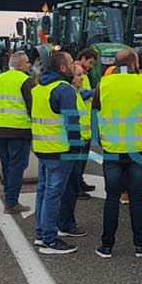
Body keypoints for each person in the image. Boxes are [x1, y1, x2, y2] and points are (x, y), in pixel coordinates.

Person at [93, 48, 142, 258]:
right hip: (139, 149)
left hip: (112, 149)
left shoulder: (103, 84)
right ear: (134, 63)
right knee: (136, 197)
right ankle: (140, 244)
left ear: (115, 63)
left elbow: (95, 114)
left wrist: (101, 141)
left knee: (112, 197)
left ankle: (106, 245)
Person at [32, 51, 85, 255]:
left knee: (43, 192)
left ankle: (41, 233)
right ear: (62, 68)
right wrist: (75, 147)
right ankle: (50, 239)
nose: (74, 65)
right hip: (60, 150)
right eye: (71, 63)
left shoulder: (40, 88)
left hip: (42, 148)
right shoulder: (64, 89)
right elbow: (72, 122)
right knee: (53, 195)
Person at [0, 51, 34, 214]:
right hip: (19, 129)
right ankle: (11, 202)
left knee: (7, 164)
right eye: (27, 62)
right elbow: (32, 107)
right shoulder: (25, 80)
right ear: (20, 65)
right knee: (17, 166)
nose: (29, 65)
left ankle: (9, 195)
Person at [55, 56, 93, 239]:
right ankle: (65, 224)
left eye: (82, 75)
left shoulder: (76, 93)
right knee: (69, 188)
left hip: (79, 144)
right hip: (73, 147)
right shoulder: (69, 93)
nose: (82, 78)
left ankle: (64, 222)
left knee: (71, 186)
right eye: (78, 75)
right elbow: (71, 122)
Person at [73, 47, 100, 195]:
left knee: (82, 158)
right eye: (90, 62)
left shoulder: (84, 73)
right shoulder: (77, 72)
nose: (91, 66)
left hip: (85, 120)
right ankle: (76, 185)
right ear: (83, 58)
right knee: (79, 158)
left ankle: (79, 181)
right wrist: (96, 91)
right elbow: (82, 94)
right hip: (80, 121)